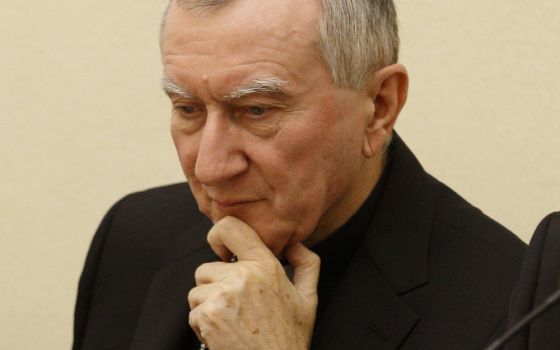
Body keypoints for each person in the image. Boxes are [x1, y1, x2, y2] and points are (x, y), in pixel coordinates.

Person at [73, 0, 526, 349]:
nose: (210, 168)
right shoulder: (133, 233)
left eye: (256, 110)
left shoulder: (511, 310)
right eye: (187, 109)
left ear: (380, 108)